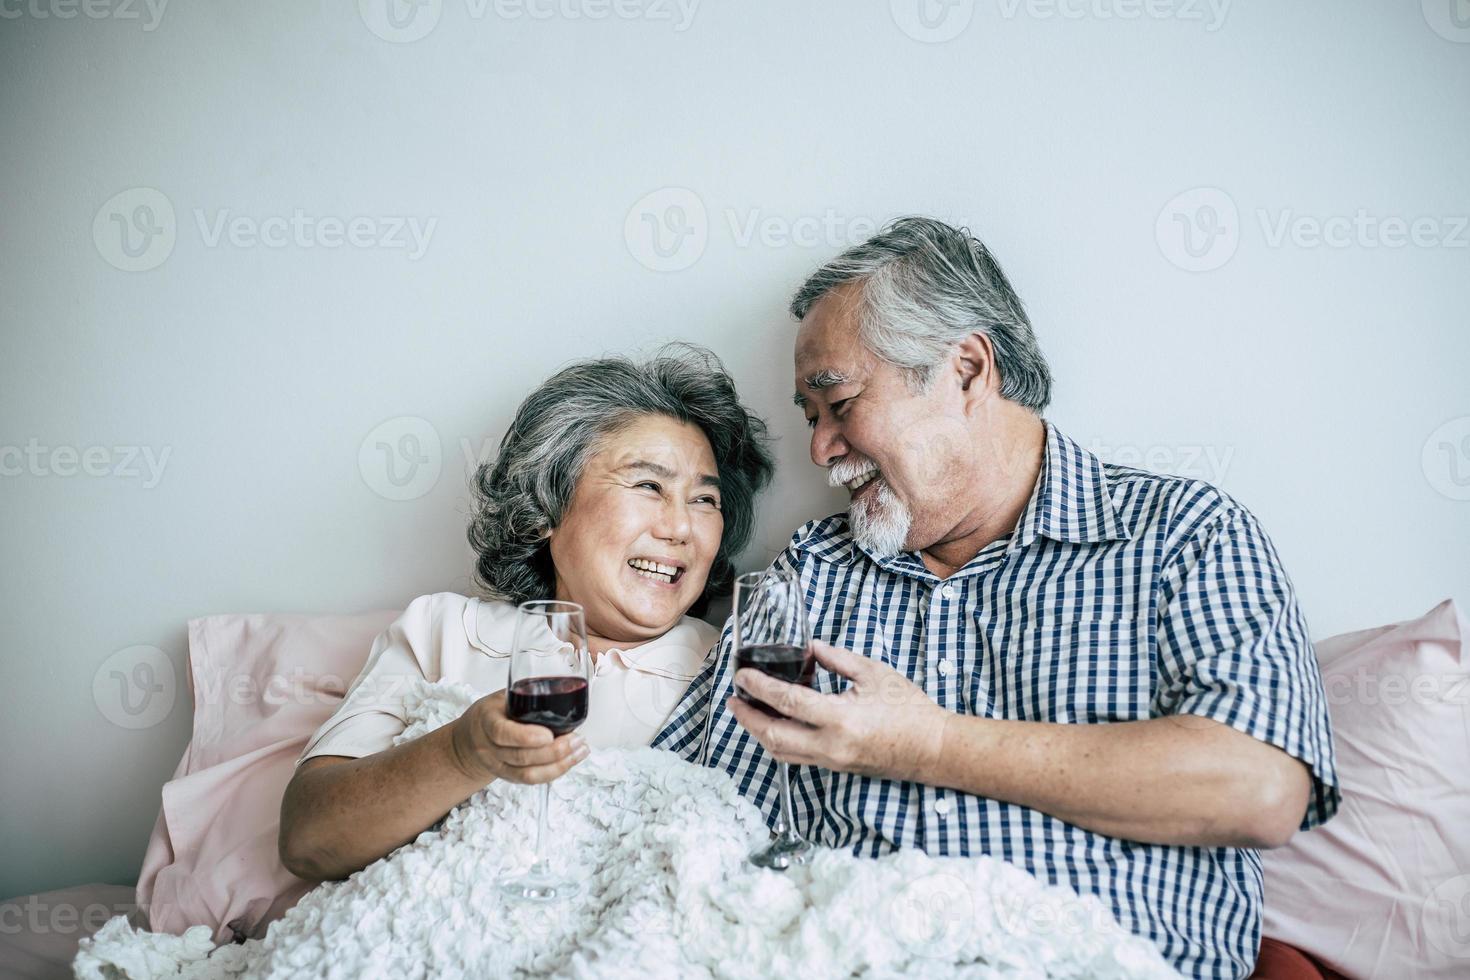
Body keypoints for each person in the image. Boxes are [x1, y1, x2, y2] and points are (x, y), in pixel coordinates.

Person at [653, 218, 1339, 980]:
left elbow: (1262, 789)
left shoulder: (1184, 536)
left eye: (838, 403)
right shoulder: (812, 572)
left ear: (970, 370)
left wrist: (931, 744)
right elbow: (690, 815)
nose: (820, 448)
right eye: (811, 419)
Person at [279, 345, 773, 882]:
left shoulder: (732, 671)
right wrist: (464, 752)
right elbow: (309, 840)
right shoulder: (441, 632)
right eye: (649, 485)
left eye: (704, 500)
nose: (679, 528)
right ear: (546, 511)